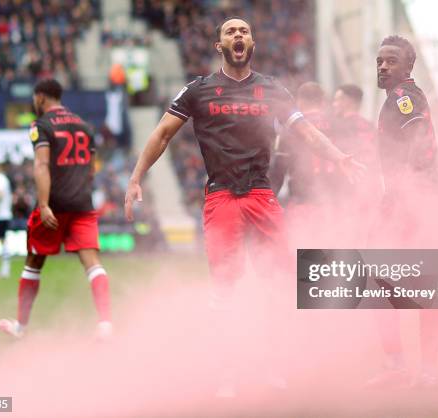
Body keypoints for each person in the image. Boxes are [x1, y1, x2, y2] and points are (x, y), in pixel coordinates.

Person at [125, 17, 364, 396]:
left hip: (261, 194)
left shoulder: (272, 90)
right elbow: (162, 134)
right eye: (230, 32)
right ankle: (227, 373)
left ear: (252, 42)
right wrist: (136, 176)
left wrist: (339, 157)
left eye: (244, 31)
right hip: (221, 196)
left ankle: (270, 366)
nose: (238, 35)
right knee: (225, 290)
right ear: (220, 45)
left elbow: (305, 131)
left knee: (277, 284)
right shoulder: (199, 91)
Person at [0, 79, 112, 340]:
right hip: (83, 204)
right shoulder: (85, 126)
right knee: (93, 264)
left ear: (40, 98)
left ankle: (21, 326)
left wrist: (43, 204)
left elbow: (41, 165)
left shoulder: (42, 125)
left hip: (55, 205)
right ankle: (105, 322)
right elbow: (90, 169)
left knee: (33, 263)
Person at [367, 35, 438, 388]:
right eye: (379, 61)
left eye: (391, 61)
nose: (383, 66)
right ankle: (406, 367)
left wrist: (400, 192)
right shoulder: (398, 97)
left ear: (408, 67)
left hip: (417, 201)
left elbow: (417, 141)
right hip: (412, 199)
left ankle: (416, 369)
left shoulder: (403, 97)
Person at [269, 81, 334, 247]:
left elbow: (278, 170)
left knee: (305, 258)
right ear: (322, 101)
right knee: (335, 257)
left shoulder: (291, 129)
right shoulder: (340, 125)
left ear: (299, 101)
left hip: (304, 202)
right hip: (337, 203)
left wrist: (269, 200)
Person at [331, 84, 378, 246]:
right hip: (367, 193)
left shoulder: (336, 127)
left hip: (342, 193)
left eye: (337, 100)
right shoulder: (370, 126)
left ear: (347, 102)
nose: (334, 104)